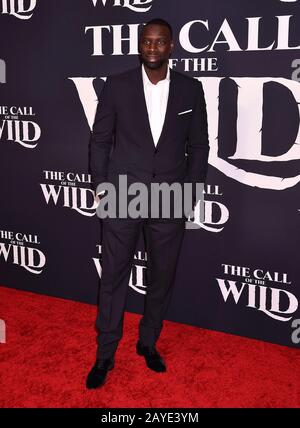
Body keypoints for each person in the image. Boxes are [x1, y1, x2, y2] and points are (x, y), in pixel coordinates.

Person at [86, 18, 209, 389]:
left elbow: (199, 146)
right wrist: (103, 188)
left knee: (162, 276)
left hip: (170, 197)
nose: (152, 48)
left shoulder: (191, 89)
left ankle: (148, 342)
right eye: (147, 42)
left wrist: (191, 193)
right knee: (113, 278)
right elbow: (99, 141)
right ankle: (105, 353)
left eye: (160, 42)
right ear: (140, 45)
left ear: (171, 47)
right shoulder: (118, 86)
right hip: (123, 194)